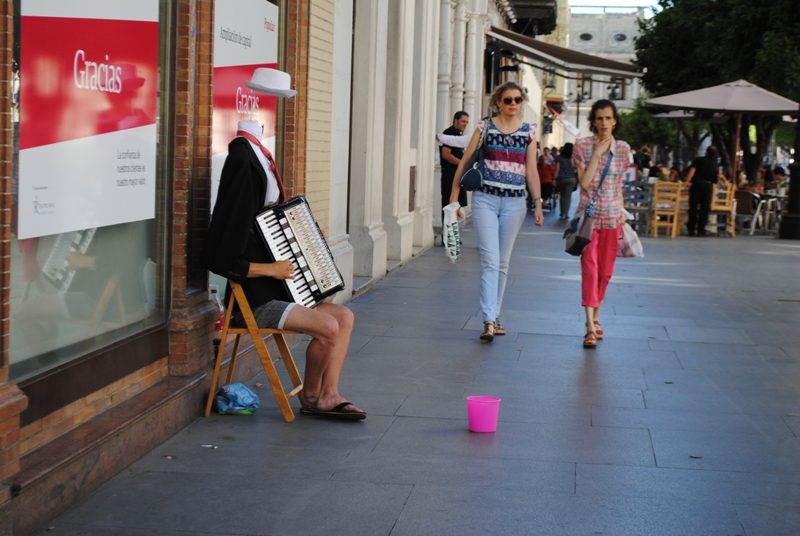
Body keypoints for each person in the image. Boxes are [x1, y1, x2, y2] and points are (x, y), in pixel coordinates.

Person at [203, 68, 365, 421]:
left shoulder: (259, 153)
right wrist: (271, 268)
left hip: (278, 287)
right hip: (255, 297)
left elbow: (266, 222)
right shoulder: (242, 159)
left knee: (344, 316)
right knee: (328, 326)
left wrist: (304, 238)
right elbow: (220, 254)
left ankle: (329, 393)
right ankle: (311, 396)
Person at [449, 81, 544, 342]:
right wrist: (454, 199)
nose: (513, 104)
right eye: (508, 100)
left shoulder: (528, 131)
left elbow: (532, 170)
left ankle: (496, 314)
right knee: (490, 260)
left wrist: (537, 203)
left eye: (517, 100)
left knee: (502, 263)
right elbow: (465, 162)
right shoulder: (485, 126)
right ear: (498, 103)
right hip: (485, 200)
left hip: (515, 202)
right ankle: (488, 319)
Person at [573, 99, 632, 349]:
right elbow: (584, 184)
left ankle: (596, 316)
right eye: (599, 118)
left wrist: (622, 211)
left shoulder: (623, 149)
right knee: (590, 268)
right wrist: (597, 153)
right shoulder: (582, 146)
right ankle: (589, 326)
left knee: (605, 273)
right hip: (588, 218)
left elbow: (619, 184)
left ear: (615, 120)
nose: (604, 123)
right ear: (593, 121)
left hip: (612, 218)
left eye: (608, 118)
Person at [683, 146, 719, 237]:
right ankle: (701, 229)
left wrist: (687, 182)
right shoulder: (714, 164)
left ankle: (691, 229)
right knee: (705, 209)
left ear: (706, 152)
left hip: (696, 185)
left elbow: (692, 170)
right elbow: (715, 179)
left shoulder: (698, 160)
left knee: (693, 207)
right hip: (707, 186)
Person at [440, 111, 469, 209]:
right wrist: (462, 164)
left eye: (466, 122)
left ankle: (455, 225)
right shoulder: (449, 133)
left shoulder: (459, 134)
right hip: (450, 176)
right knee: (449, 206)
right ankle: (448, 225)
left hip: (457, 174)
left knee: (457, 206)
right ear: (455, 121)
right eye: (463, 121)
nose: (465, 124)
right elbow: (446, 154)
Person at [553, 142, 577, 220]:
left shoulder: (559, 158)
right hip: (571, 179)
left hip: (561, 179)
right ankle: (565, 214)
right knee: (568, 196)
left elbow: (557, 169)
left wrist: (554, 179)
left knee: (562, 196)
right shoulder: (574, 158)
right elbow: (576, 169)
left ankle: (562, 212)